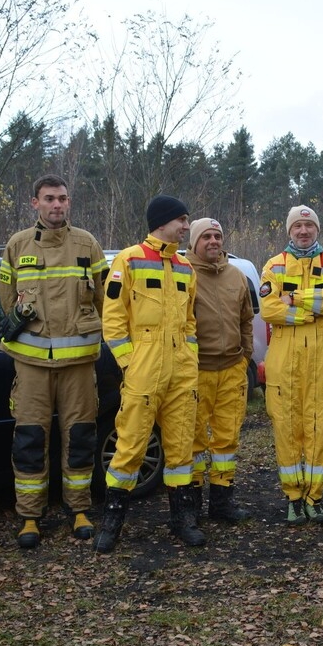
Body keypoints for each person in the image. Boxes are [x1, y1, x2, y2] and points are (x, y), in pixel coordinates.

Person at [0, 174, 108, 549]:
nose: (56, 205)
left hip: (78, 365)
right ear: (35, 203)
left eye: (62, 198)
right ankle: (30, 516)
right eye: (49, 199)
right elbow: (7, 300)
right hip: (31, 367)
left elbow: (105, 300)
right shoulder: (17, 246)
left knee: (79, 439)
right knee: (29, 440)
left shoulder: (87, 244)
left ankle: (78, 510)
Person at [97, 195, 201, 550]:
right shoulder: (129, 259)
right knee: (129, 446)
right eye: (182, 220)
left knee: (181, 446)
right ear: (162, 221)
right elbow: (112, 321)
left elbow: (189, 322)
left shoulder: (187, 268)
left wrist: (190, 357)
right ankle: (111, 524)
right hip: (144, 369)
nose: (186, 227)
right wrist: (131, 363)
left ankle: (181, 520)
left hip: (181, 373)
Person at [260, 206, 323, 524]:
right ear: (289, 231)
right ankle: (293, 497)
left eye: (309, 225)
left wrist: (294, 299)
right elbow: (269, 309)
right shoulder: (274, 265)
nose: (303, 231)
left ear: (317, 230)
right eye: (297, 226)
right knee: (287, 427)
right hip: (285, 360)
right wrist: (309, 312)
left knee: (321, 428)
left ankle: (315, 497)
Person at [184, 217, 254, 525]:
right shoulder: (184, 274)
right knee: (194, 440)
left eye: (218, 236)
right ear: (194, 242)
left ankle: (222, 501)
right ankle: (194, 501)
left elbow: (246, 319)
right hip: (197, 370)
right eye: (206, 237)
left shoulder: (236, 276)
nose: (213, 241)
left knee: (227, 439)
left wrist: (246, 355)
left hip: (231, 369)